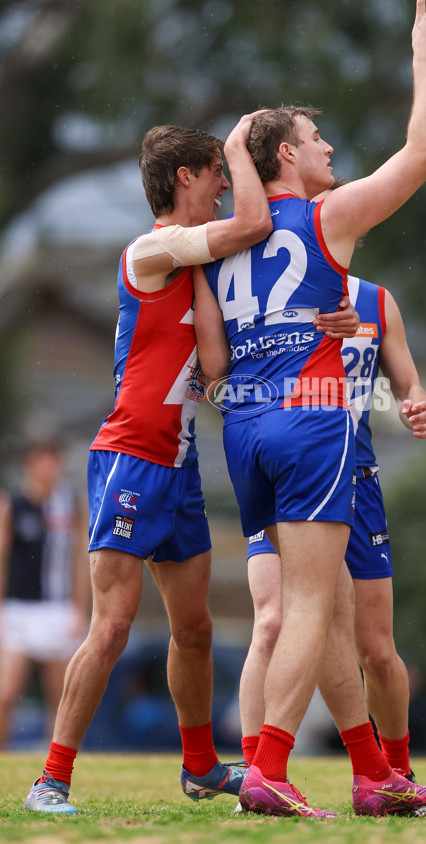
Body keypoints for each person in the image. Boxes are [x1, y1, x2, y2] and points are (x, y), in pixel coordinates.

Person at [199, 0, 426, 817]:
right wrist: (422, 57)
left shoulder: (220, 242)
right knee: (311, 606)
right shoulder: (326, 218)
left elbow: (210, 358)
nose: (330, 146)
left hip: (243, 429)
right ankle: (266, 766)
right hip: (311, 424)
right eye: (315, 139)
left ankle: (373, 773)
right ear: (285, 160)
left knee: (331, 609)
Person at [21, 112, 278, 815]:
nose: (225, 186)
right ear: (185, 177)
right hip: (130, 459)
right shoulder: (149, 250)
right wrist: (240, 146)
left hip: (180, 469)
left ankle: (199, 768)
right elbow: (253, 224)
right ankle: (51, 780)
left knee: (194, 629)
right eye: (217, 174)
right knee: (111, 626)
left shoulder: (189, 262)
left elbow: (217, 365)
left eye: (229, 174)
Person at [239, 274, 426, 797]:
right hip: (289, 475)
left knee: (375, 647)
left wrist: (414, 401)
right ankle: (255, 772)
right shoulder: (267, 287)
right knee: (273, 621)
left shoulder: (375, 300)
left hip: (356, 479)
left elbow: (406, 384)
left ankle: (395, 774)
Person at [0, 441, 89, 750]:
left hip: (58, 609)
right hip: (18, 609)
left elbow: (80, 561)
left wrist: (80, 609)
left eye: (54, 463)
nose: (50, 470)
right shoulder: (13, 504)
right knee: (6, 693)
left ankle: (53, 768)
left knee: (62, 698)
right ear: (30, 465)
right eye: (44, 462)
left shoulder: (70, 506)